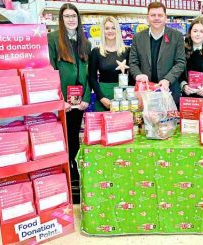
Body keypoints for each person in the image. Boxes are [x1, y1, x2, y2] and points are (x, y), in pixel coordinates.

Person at [48, 3, 91, 204]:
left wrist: (86, 99)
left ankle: (74, 172)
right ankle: (62, 174)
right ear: (61, 19)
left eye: (73, 16)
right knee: (62, 137)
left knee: (74, 135)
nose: (71, 19)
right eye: (66, 16)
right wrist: (59, 100)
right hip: (63, 101)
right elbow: (51, 71)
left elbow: (89, 74)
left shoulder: (85, 42)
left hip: (79, 101)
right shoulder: (53, 40)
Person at [129, 2, 185, 106]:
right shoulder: (138, 38)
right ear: (148, 18)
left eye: (160, 15)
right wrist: (138, 75)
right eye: (153, 15)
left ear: (165, 18)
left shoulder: (177, 36)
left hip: (170, 92)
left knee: (170, 122)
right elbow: (133, 62)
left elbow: (180, 62)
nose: (156, 18)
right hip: (145, 94)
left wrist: (168, 80)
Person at [89, 16, 130, 111]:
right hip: (103, 95)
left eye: (113, 28)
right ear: (103, 31)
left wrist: (128, 95)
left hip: (123, 95)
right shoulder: (96, 52)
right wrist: (101, 98)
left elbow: (131, 76)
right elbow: (92, 78)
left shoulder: (127, 51)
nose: (110, 31)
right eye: (107, 28)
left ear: (118, 30)